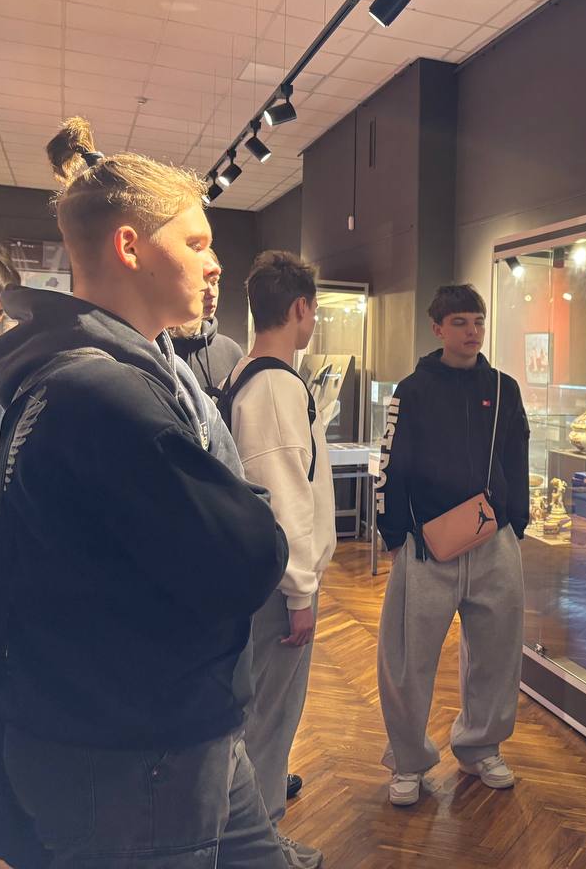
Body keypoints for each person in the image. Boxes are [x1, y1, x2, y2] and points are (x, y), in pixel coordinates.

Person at [0, 117, 290, 868]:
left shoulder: (89, 379)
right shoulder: (106, 397)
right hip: (135, 752)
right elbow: (249, 557)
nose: (215, 264)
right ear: (130, 247)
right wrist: (252, 507)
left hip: (169, 721)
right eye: (196, 242)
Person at [375, 283, 530, 805]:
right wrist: (394, 533)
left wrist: (517, 521)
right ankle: (408, 760)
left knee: (496, 652)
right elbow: (392, 463)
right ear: (438, 328)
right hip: (426, 545)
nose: (472, 331)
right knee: (407, 660)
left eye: (478, 321)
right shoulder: (413, 390)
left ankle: (481, 746)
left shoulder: (504, 388)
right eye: (460, 322)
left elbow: (517, 456)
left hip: (493, 541)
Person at [225, 251, 336, 868]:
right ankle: (260, 842)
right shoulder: (275, 386)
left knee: (261, 712)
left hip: (260, 580)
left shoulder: (247, 374)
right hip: (276, 587)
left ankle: (252, 828)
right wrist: (300, 592)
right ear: (299, 308)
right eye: (312, 310)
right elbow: (284, 497)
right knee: (269, 716)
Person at [171, 246, 244, 394]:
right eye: (201, 282)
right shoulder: (157, 349)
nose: (211, 292)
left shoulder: (231, 352)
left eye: (214, 282)